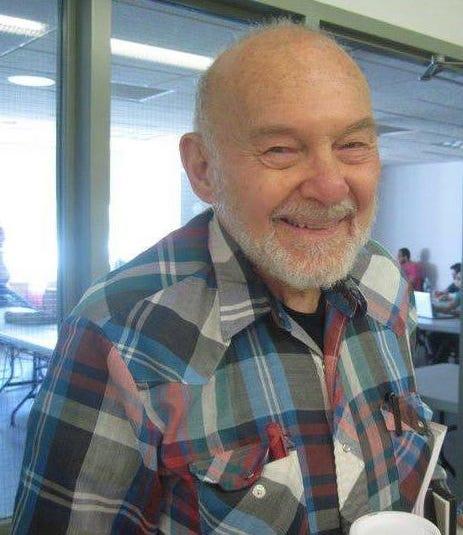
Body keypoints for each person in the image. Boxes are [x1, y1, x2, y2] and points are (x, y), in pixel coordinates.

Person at [12, 23, 435, 534]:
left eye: (352, 144)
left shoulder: (385, 282)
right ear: (203, 168)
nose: (329, 186)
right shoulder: (121, 333)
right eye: (280, 149)